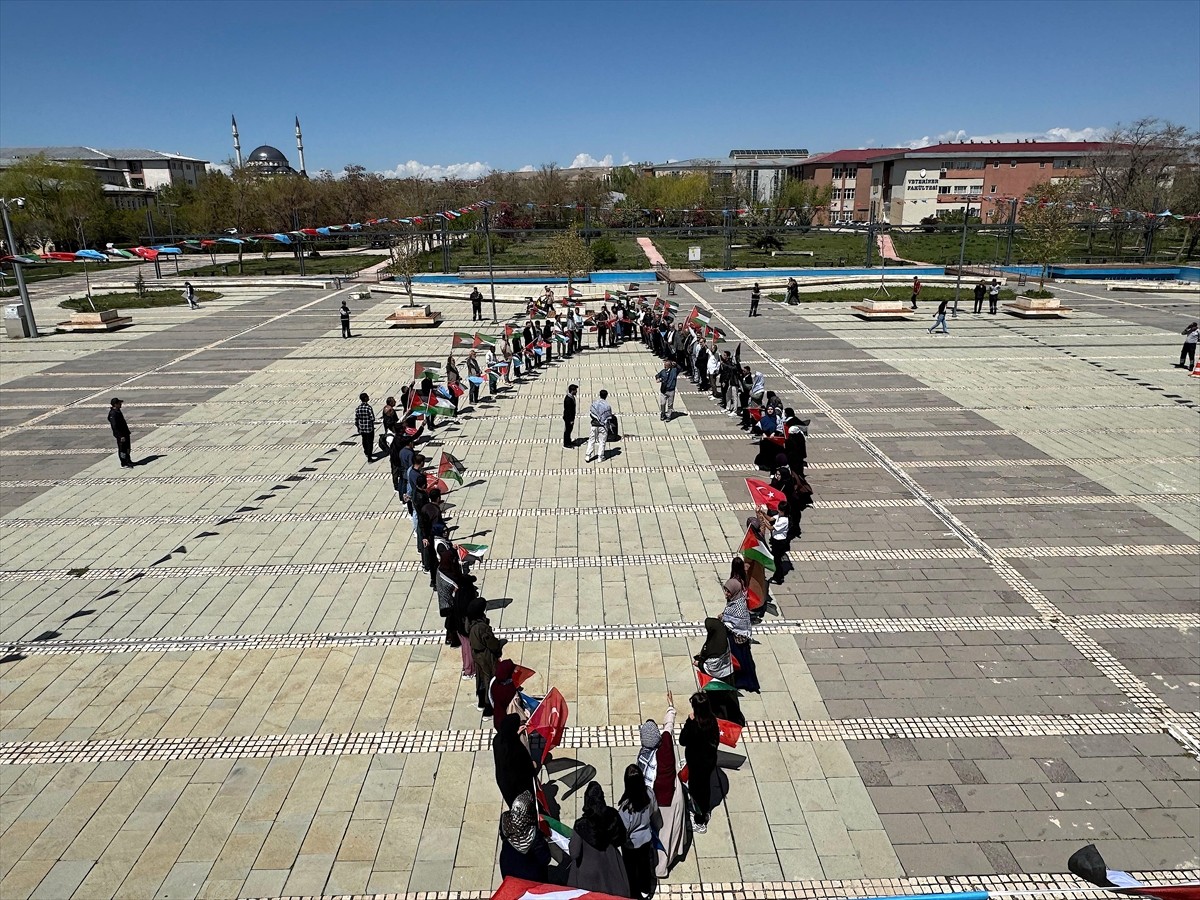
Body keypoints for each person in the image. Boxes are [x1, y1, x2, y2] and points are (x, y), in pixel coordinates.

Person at [636, 697, 689, 877]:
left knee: (657, 834)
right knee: (669, 834)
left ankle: (658, 867)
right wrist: (670, 708)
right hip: (672, 798)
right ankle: (665, 865)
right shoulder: (665, 744)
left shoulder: (643, 759)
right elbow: (669, 727)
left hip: (654, 802)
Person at [566, 782, 630, 896]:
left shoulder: (581, 825)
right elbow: (621, 838)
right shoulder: (613, 815)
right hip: (610, 865)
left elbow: (574, 853)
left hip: (587, 871)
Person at [678, 692, 720, 833]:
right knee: (705, 787)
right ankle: (704, 810)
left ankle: (700, 820)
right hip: (708, 761)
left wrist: (689, 722)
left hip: (697, 764)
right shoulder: (712, 720)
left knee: (696, 791)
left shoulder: (694, 725)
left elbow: (682, 740)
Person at [617, 764, 657, 899]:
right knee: (645, 865)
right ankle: (646, 889)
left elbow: (623, 831)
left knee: (631, 870)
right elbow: (654, 811)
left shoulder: (625, 809)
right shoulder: (649, 794)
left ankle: (634, 893)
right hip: (646, 838)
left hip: (631, 845)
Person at [499, 790, 552, 881]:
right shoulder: (534, 837)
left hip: (508, 868)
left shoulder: (506, 819)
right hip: (531, 876)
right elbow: (545, 859)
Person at [469, 597, 506, 715]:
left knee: (480, 677)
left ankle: (481, 702)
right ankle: (488, 708)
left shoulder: (470, 622)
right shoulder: (481, 627)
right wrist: (498, 647)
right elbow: (491, 643)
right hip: (485, 655)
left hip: (476, 654)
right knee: (489, 678)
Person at [721, 578, 760, 693]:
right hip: (736, 638)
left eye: (728, 591)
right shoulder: (736, 600)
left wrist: (723, 618)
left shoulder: (738, 607)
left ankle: (743, 682)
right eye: (726, 590)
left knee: (740, 661)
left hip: (737, 639)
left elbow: (736, 623)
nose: (726, 593)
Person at [493, 712, 536, 806]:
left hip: (503, 780)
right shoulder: (515, 749)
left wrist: (516, 733)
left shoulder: (497, 739)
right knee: (524, 806)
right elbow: (524, 767)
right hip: (519, 784)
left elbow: (509, 739)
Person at [693, 617, 733, 685]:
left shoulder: (715, 649)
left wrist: (699, 664)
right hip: (727, 670)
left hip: (719, 677)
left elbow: (712, 668)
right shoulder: (723, 638)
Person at [490, 658, 519, 730]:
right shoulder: (510, 689)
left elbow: (490, 698)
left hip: (498, 717)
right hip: (508, 721)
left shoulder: (494, 682)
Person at [766, 501, 791, 584]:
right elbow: (770, 519)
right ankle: (777, 575)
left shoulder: (784, 520)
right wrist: (762, 513)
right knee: (776, 559)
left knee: (777, 561)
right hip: (775, 540)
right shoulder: (780, 516)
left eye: (779, 509)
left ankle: (778, 578)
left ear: (783, 511)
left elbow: (771, 528)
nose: (777, 510)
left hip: (780, 542)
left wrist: (762, 521)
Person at [586, 389, 613, 463]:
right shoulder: (607, 406)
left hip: (594, 425)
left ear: (599, 395)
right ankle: (600, 457)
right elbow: (608, 417)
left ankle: (588, 455)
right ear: (606, 396)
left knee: (591, 440)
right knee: (602, 441)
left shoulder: (594, 403)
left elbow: (591, 414)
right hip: (603, 426)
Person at [107, 397, 133, 468]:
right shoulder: (113, 413)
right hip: (121, 435)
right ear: (115, 404)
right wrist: (120, 436)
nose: (121, 404)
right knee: (122, 449)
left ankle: (128, 460)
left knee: (127, 448)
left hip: (125, 433)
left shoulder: (118, 411)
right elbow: (114, 426)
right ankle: (123, 463)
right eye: (119, 403)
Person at [354, 392, 376, 461]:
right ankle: (369, 456)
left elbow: (356, 419)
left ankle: (366, 452)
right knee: (370, 442)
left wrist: (358, 427)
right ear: (365, 398)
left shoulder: (358, 408)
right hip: (369, 428)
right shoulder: (368, 408)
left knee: (364, 440)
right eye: (367, 396)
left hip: (362, 428)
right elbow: (372, 418)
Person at [563, 383, 578, 448]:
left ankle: (569, 441)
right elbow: (568, 411)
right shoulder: (568, 399)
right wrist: (571, 420)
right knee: (567, 430)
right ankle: (566, 443)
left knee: (569, 430)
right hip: (568, 418)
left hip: (570, 418)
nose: (576, 392)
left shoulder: (571, 397)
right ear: (572, 390)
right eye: (575, 390)